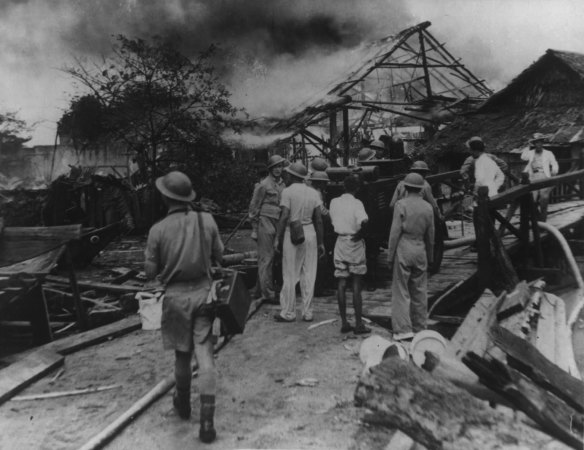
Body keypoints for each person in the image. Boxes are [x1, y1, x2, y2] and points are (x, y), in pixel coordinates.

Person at [144, 171, 223, 444]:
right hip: (204, 294)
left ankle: (184, 405)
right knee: (205, 355)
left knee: (182, 355)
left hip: (175, 298)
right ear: (189, 197)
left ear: (165, 197)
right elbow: (220, 256)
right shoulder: (207, 220)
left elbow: (150, 271)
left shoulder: (158, 229)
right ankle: (207, 422)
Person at [274, 162, 325, 322]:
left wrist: (277, 238)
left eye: (287, 174)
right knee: (309, 273)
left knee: (290, 273)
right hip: (310, 232)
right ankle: (307, 312)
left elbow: (284, 217)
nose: (285, 176)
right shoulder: (313, 193)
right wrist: (321, 242)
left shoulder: (287, 192)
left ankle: (288, 312)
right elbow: (319, 220)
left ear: (292, 176)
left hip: (292, 232)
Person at [387, 172, 434, 342]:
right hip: (420, 247)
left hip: (404, 247)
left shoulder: (401, 205)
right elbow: (431, 235)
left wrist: (390, 256)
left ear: (405, 187)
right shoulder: (428, 207)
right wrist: (431, 255)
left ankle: (403, 330)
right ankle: (420, 327)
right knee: (420, 290)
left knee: (401, 290)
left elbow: (394, 233)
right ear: (421, 189)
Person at [329, 174, 371, 335]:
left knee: (341, 282)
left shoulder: (334, 202)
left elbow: (332, 219)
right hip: (354, 243)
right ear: (358, 188)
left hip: (340, 242)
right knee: (356, 284)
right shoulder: (357, 203)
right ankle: (359, 324)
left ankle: (345, 322)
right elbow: (364, 221)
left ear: (343, 186)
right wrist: (362, 234)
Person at [248, 155, 286, 303]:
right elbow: (253, 208)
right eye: (275, 167)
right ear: (270, 169)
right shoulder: (263, 185)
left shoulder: (282, 184)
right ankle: (268, 294)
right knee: (266, 258)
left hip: (278, 222)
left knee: (273, 258)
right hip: (265, 222)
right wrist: (255, 229)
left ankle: (259, 289)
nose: (278, 169)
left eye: (280, 166)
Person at [521, 132, 559, 221]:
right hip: (533, 177)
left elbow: (554, 163)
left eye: (540, 142)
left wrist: (554, 171)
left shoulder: (548, 153)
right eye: (536, 142)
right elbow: (523, 157)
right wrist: (527, 146)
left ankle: (543, 221)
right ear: (534, 144)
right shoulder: (530, 153)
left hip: (544, 176)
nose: (538, 144)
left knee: (544, 200)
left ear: (542, 143)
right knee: (532, 201)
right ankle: (536, 221)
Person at [308, 170, 335, 296]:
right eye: (324, 183)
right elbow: (322, 212)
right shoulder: (316, 194)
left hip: (312, 226)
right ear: (320, 183)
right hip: (317, 226)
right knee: (321, 257)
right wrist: (333, 216)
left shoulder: (312, 191)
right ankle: (319, 288)